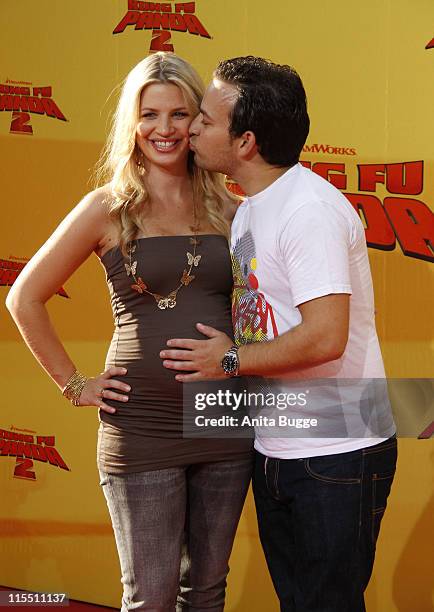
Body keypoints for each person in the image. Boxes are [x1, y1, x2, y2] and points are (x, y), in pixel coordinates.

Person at [6, 52, 253, 611]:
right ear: (132, 123)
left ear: (199, 121)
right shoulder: (107, 208)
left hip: (224, 420)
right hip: (140, 425)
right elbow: (24, 297)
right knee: (150, 597)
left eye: (178, 114)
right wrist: (74, 383)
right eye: (149, 115)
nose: (163, 130)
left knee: (208, 590)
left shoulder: (231, 209)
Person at [160, 56, 397, 612]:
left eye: (206, 121)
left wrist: (230, 361)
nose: (192, 128)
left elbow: (325, 338)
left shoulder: (307, 211)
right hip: (280, 444)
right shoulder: (249, 210)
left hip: (336, 451)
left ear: (245, 142)